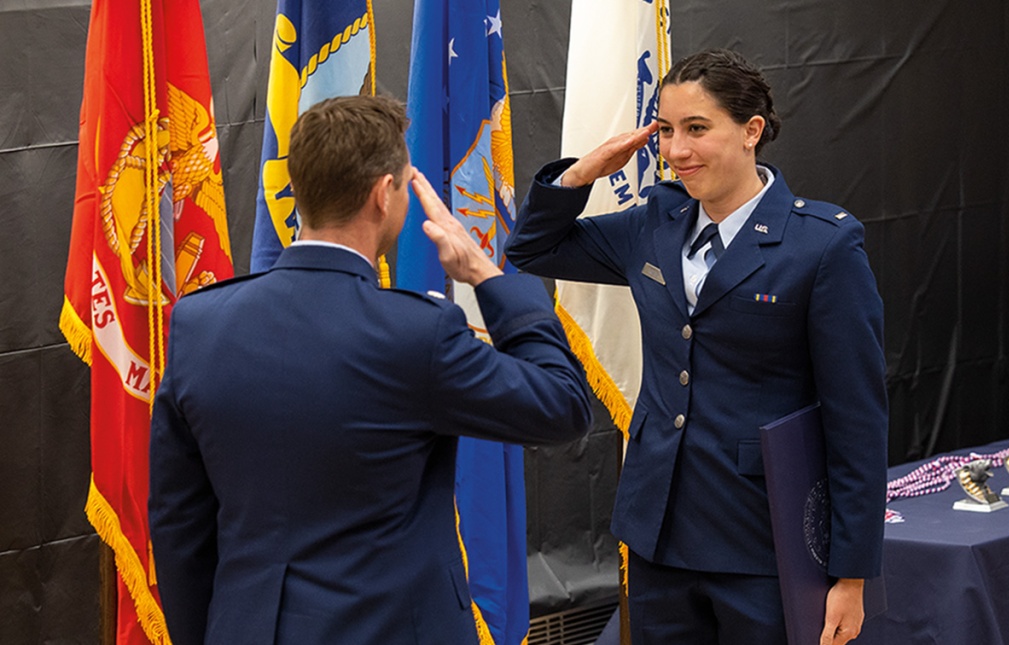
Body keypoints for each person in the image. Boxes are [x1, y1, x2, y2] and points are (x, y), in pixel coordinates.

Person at [148, 95, 592, 645]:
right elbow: (563, 405)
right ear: (384, 194)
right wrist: (491, 277)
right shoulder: (415, 334)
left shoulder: (198, 324)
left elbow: (178, 523)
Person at [506, 48, 887, 645]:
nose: (676, 151)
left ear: (751, 131)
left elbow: (857, 418)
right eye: (665, 130)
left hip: (762, 542)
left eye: (697, 129)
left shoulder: (822, 246)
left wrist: (851, 573)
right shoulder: (652, 225)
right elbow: (530, 249)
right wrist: (583, 171)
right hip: (659, 536)